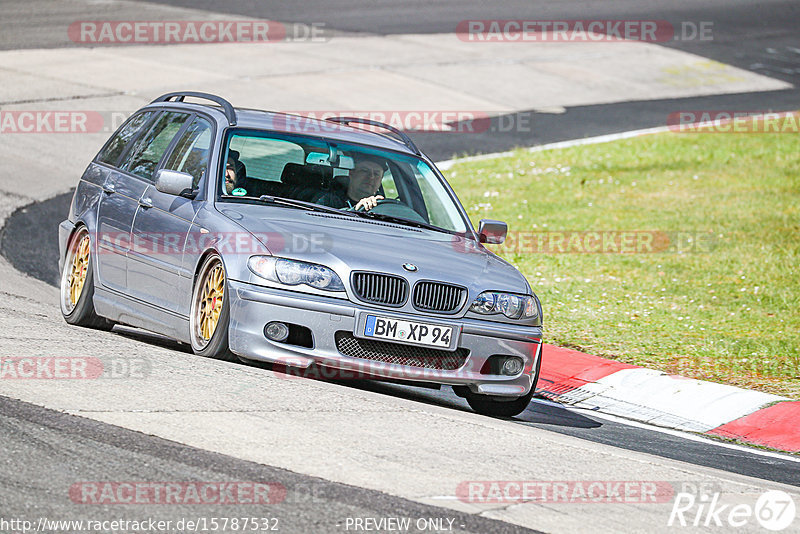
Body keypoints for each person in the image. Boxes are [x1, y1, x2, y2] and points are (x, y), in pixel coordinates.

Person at [313, 155, 386, 210]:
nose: (371, 177)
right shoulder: (328, 201)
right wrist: (356, 210)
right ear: (351, 173)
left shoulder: (383, 207)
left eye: (376, 174)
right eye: (364, 171)